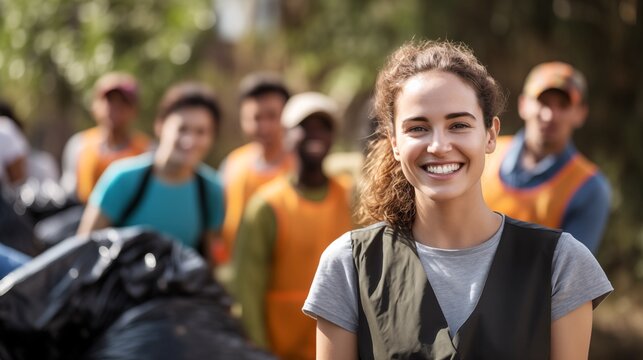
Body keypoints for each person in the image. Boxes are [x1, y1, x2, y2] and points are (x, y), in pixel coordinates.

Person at [303, 41, 612, 359]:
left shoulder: (563, 263)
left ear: (490, 135)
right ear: (395, 143)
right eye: (418, 127)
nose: (438, 145)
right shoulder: (349, 265)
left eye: (459, 125)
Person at [232, 92, 353, 360]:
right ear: (286, 135)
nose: (315, 135)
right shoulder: (266, 206)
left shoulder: (350, 198)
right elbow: (247, 291)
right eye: (305, 128)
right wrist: (258, 352)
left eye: (323, 128)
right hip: (280, 351)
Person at [77, 82, 225, 262]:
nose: (189, 141)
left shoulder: (211, 190)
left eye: (201, 132)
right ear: (160, 126)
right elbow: (82, 251)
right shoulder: (123, 178)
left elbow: (210, 262)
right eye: (182, 129)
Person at [481, 62, 610, 253]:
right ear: (523, 105)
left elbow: (569, 272)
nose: (550, 115)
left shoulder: (589, 188)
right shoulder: (484, 152)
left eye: (563, 105)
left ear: (580, 114)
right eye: (543, 102)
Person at [218, 73, 294, 263]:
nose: (264, 126)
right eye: (256, 117)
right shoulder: (233, 163)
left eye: (272, 116)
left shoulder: (299, 165)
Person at [60, 72, 151, 203]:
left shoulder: (146, 151)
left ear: (134, 110)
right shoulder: (79, 145)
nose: (115, 107)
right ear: (94, 106)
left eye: (124, 102)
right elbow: (70, 192)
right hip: (84, 213)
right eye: (109, 100)